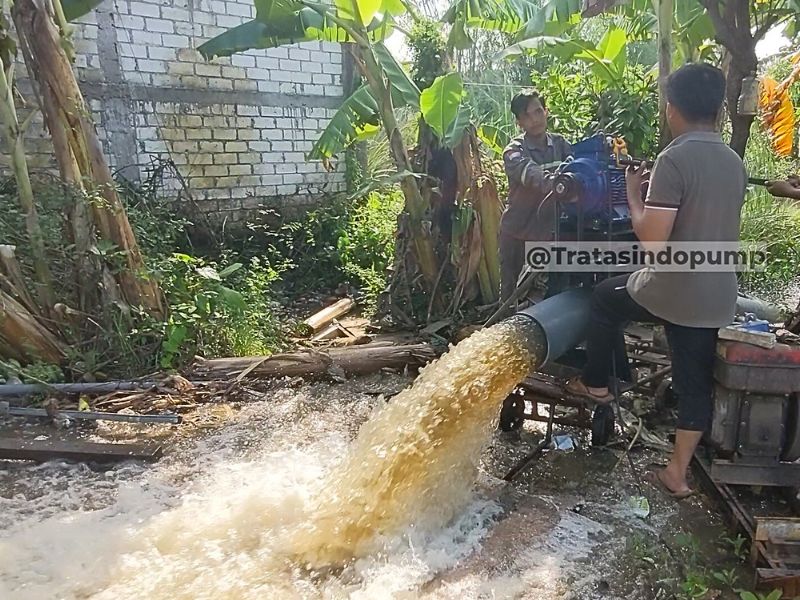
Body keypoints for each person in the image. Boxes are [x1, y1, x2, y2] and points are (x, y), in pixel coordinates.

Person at [563, 63, 747, 499]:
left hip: (676, 287)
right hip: (717, 291)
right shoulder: (733, 161)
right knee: (693, 381)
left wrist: (633, 190)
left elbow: (651, 240)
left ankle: (598, 383)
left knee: (606, 298)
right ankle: (677, 475)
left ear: (672, 109)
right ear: (719, 110)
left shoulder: (675, 157)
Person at [499, 90, 572, 304]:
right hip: (517, 233)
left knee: (543, 295)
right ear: (519, 122)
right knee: (511, 297)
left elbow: (576, 168)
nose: (535, 119)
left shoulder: (561, 145)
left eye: (539, 111)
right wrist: (562, 185)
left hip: (547, 233)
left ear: (546, 111)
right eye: (527, 116)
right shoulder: (514, 151)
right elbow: (533, 176)